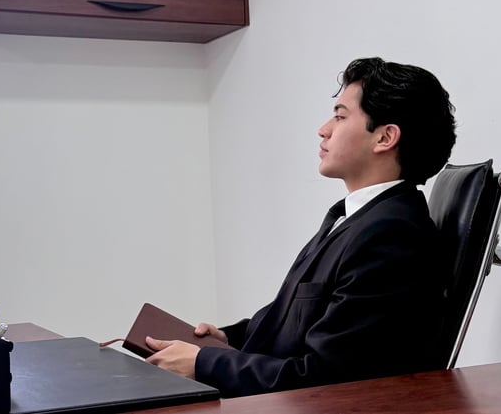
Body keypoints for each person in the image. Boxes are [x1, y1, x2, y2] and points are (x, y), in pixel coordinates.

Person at [145, 57, 457, 397]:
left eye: (340, 116)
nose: (324, 129)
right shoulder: (358, 219)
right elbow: (296, 321)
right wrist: (229, 339)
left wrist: (205, 363)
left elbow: (324, 378)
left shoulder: (390, 236)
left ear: (385, 137)